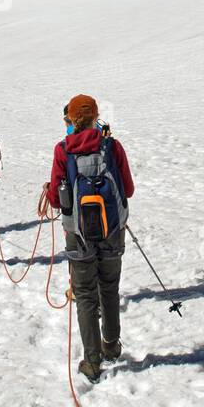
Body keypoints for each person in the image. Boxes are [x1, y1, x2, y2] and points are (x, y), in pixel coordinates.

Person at [47, 94, 135, 381]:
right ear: (96, 115)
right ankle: (111, 344)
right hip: (113, 230)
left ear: (71, 120)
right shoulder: (112, 146)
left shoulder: (63, 150)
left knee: (85, 294)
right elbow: (128, 189)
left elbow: (56, 199)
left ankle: (92, 361)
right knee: (109, 287)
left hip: (78, 233)